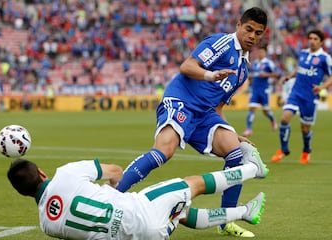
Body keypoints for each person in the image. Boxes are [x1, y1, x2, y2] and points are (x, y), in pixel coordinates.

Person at [115, 7, 268, 237]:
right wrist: (209, 75)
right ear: (238, 25)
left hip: (205, 114)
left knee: (236, 153)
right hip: (181, 102)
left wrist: (233, 134)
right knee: (163, 152)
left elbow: (218, 108)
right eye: (249, 29)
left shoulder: (243, 70)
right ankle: (112, 194)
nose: (252, 36)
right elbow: (187, 66)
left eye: (258, 33)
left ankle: (226, 221)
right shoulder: (221, 44)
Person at [7, 142, 268, 240]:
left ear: (23, 193)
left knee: (180, 214)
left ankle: (245, 211)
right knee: (194, 183)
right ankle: (252, 169)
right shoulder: (66, 174)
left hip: (143, 236)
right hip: (140, 208)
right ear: (42, 173)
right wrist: (110, 188)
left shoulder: (46, 225)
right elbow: (116, 172)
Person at [271, 29, 332, 164]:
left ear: (321, 42)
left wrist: (321, 87)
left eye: (315, 39)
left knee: (305, 128)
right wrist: (289, 77)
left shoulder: (324, 58)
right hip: (296, 92)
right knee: (285, 117)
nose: (312, 41)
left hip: (310, 97)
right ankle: (283, 149)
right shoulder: (303, 53)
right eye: (310, 38)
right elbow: (298, 69)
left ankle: (306, 150)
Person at [242, 46, 279, 137]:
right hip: (255, 89)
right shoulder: (255, 63)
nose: (260, 54)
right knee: (251, 108)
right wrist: (250, 77)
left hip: (264, 90)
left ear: (265, 53)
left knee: (266, 111)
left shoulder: (268, 63)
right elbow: (253, 74)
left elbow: (276, 74)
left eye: (262, 52)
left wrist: (266, 74)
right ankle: (248, 129)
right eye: (259, 52)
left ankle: (272, 120)